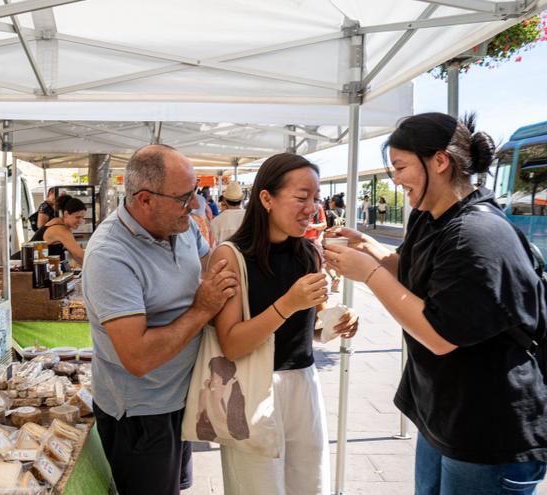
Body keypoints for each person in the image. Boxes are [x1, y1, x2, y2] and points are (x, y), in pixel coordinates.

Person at [324, 112, 547, 495]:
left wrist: (369, 274)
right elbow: (415, 275)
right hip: (447, 413)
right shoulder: (431, 218)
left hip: (489, 431)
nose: (395, 180)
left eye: (400, 167)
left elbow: (441, 335)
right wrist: (371, 250)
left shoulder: (476, 235)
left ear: (439, 162)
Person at [82, 144, 238, 495]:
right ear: (145, 200)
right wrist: (201, 309)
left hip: (180, 397)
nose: (195, 205)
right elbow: (137, 358)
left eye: (195, 192)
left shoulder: (181, 227)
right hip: (142, 413)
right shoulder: (110, 256)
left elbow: (210, 264)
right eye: (184, 197)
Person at [210, 153, 359, 495]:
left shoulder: (308, 254)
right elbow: (232, 343)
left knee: (310, 486)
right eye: (301, 197)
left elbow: (308, 332)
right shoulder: (231, 256)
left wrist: (337, 324)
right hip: (249, 390)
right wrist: (288, 303)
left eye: (316, 197)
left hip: (304, 386)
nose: (312, 208)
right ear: (266, 198)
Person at [30, 194, 86, 265]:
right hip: (21, 267)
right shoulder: (60, 229)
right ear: (66, 214)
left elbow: (75, 255)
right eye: (77, 217)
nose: (81, 221)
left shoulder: (58, 222)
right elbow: (79, 255)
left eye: (82, 217)